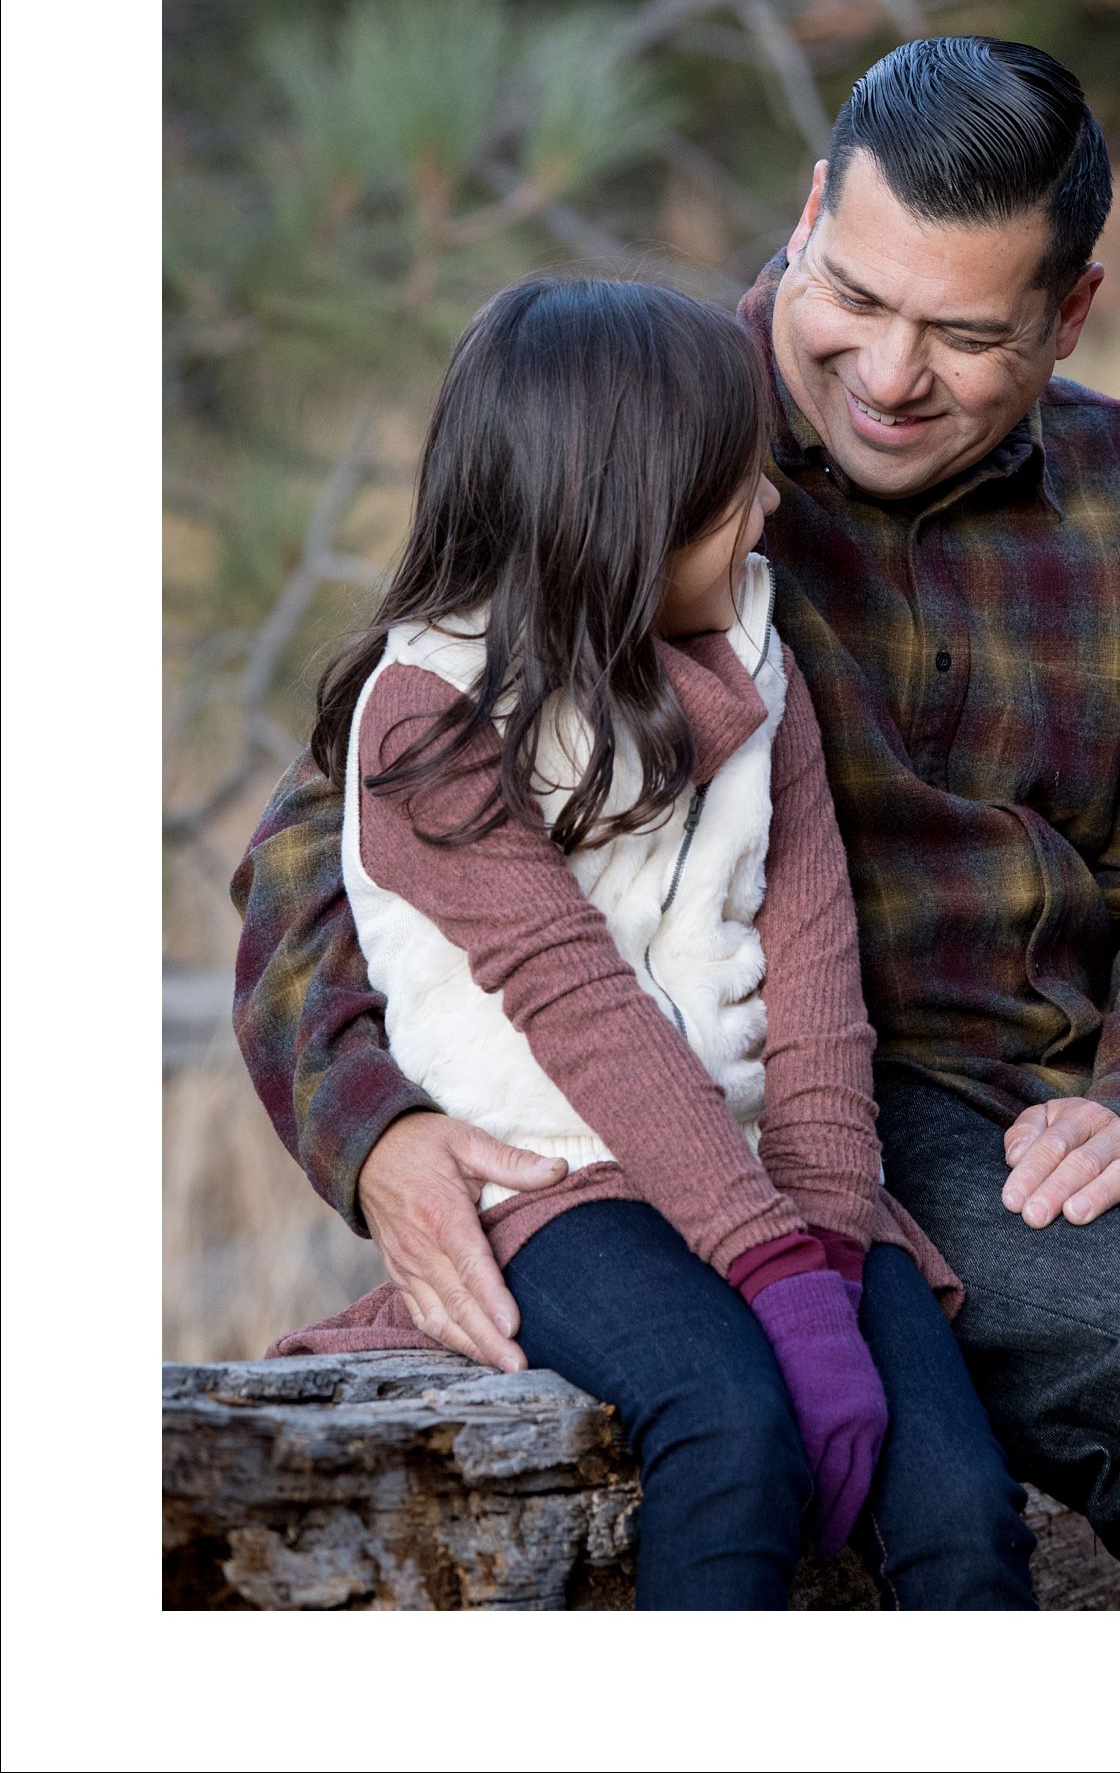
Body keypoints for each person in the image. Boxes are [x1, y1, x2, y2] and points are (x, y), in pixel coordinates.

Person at [235, 35, 1120, 1610]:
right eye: (858, 299)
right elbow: (325, 849)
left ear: (1070, 311)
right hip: (815, 1120)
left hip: (1072, 1128)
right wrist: (381, 1136)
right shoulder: (654, 436)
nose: (890, 376)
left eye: (964, 334)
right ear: (816, 208)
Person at [243, 273, 1037, 1612]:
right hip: (552, 1171)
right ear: (622, 514)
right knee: (729, 1426)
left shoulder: (757, 658)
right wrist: (778, 1282)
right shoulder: (431, 721)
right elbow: (581, 1009)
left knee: (959, 1493)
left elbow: (818, 977)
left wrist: (835, 1245)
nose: (771, 509)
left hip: (765, 1162)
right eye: (737, 488)